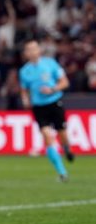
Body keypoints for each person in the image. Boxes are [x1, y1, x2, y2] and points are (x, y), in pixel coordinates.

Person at [19, 40, 74, 181]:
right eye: (28, 49)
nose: (32, 52)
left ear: (39, 50)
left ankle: (67, 148)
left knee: (62, 134)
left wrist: (52, 89)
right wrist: (25, 99)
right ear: (26, 53)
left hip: (54, 102)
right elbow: (24, 89)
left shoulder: (50, 64)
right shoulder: (24, 71)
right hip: (39, 107)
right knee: (47, 136)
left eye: (34, 49)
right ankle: (62, 172)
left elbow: (65, 82)